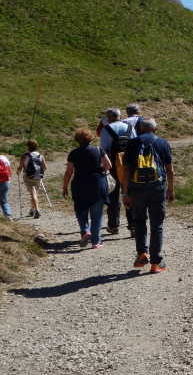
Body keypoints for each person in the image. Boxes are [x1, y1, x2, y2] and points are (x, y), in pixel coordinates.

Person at [122, 118, 175, 273]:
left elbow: (125, 171)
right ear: (155, 129)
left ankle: (142, 253)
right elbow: (170, 170)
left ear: (140, 129)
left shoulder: (132, 144)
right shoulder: (162, 143)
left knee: (139, 221)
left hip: (136, 189)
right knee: (156, 224)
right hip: (157, 188)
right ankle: (156, 263)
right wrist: (170, 190)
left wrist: (125, 192)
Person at [62, 128, 111, 248]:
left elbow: (69, 172)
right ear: (90, 138)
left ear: (77, 140)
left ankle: (85, 231)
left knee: (81, 210)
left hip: (79, 184)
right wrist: (99, 170)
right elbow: (108, 165)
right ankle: (96, 242)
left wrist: (65, 187)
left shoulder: (73, 153)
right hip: (97, 184)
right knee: (96, 215)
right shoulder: (99, 150)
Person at [99, 108, 131, 235]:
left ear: (109, 118)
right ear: (119, 116)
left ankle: (113, 225)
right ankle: (133, 225)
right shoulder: (129, 127)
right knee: (129, 193)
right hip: (128, 165)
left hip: (113, 166)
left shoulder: (106, 130)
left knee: (113, 195)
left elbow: (103, 150)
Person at [17, 140, 47, 218]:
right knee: (34, 193)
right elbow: (45, 167)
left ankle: (37, 210)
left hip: (28, 177)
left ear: (28, 146)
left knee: (33, 193)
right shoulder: (40, 155)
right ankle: (32, 210)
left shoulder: (24, 156)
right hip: (38, 177)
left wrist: (18, 171)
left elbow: (20, 168)